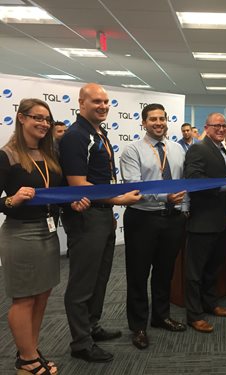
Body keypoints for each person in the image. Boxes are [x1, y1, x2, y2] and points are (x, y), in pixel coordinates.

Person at [0, 98, 89, 374]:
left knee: (41, 296)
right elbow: (3, 202)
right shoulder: (7, 155)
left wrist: (72, 203)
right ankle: (27, 361)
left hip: (48, 232)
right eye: (37, 117)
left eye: (47, 119)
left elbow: (58, 193)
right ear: (22, 118)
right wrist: (11, 200)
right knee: (24, 298)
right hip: (21, 235)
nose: (43, 123)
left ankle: (30, 350)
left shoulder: (49, 154)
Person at [59, 83, 142, 363]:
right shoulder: (75, 136)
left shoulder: (98, 132)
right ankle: (81, 342)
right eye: (96, 101)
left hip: (102, 215)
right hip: (86, 217)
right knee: (82, 282)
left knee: (100, 277)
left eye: (106, 102)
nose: (103, 106)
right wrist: (118, 200)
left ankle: (91, 326)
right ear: (81, 103)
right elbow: (77, 184)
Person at [120, 104, 188, 350]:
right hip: (143, 219)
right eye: (153, 119)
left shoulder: (178, 149)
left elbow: (183, 183)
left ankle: (161, 317)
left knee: (164, 271)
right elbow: (134, 186)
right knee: (138, 274)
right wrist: (164, 198)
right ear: (144, 122)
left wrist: (183, 209)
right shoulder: (132, 150)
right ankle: (138, 326)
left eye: (162, 118)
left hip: (173, 219)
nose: (158, 123)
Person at [183, 113, 226, 333]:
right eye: (217, 125)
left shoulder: (220, 150)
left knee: (212, 268)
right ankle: (194, 315)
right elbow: (194, 180)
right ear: (206, 127)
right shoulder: (199, 148)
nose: (221, 128)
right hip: (202, 221)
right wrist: (225, 185)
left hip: (220, 221)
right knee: (195, 272)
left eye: (224, 125)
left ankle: (210, 303)